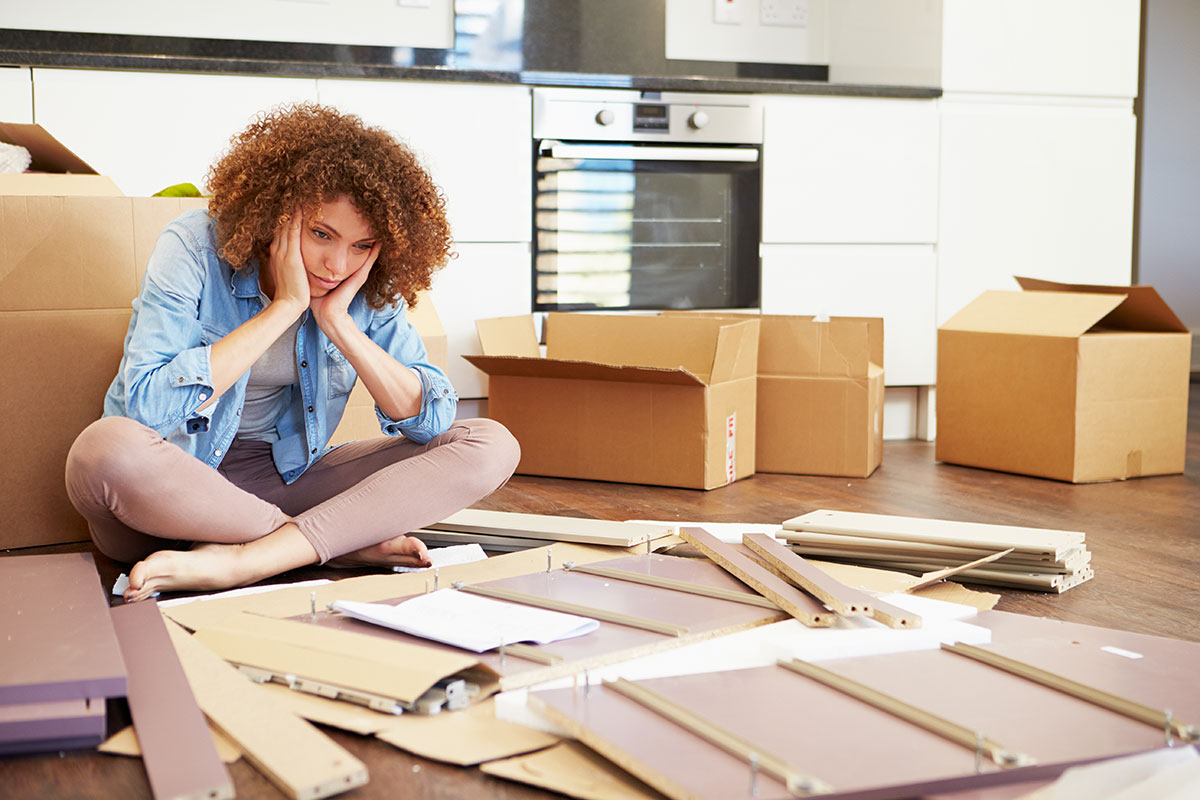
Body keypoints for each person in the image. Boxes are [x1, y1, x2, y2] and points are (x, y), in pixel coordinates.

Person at [65, 103, 520, 603]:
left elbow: (431, 421)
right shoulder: (194, 246)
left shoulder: (364, 285)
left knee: (489, 444)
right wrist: (285, 307)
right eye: (321, 234)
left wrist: (339, 324)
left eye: (361, 245)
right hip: (168, 488)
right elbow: (147, 409)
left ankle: (247, 559)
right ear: (275, 214)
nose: (336, 263)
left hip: (279, 479)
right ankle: (329, 545)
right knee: (102, 449)